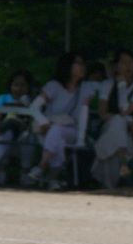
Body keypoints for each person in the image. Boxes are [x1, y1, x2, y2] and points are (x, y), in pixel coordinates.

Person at [26, 50, 92, 190]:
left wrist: (80, 140)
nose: (82, 67)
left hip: (71, 130)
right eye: (78, 63)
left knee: (57, 131)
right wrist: (43, 122)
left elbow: (83, 116)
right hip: (47, 130)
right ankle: (53, 179)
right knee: (58, 140)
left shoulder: (85, 89)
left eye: (83, 64)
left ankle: (41, 166)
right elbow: (33, 107)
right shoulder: (54, 86)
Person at [91, 48, 133, 190]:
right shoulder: (108, 85)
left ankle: (107, 179)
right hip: (109, 129)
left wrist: (121, 85)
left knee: (117, 124)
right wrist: (129, 120)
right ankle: (123, 166)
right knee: (117, 122)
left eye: (131, 62)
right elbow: (103, 113)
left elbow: (125, 110)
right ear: (116, 66)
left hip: (131, 137)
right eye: (123, 62)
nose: (128, 66)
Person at [0, 69, 36, 185]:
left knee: (29, 136)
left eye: (22, 85)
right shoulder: (2, 99)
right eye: (16, 85)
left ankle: (25, 173)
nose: (19, 89)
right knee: (5, 134)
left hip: (20, 142)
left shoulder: (32, 102)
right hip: (0, 139)